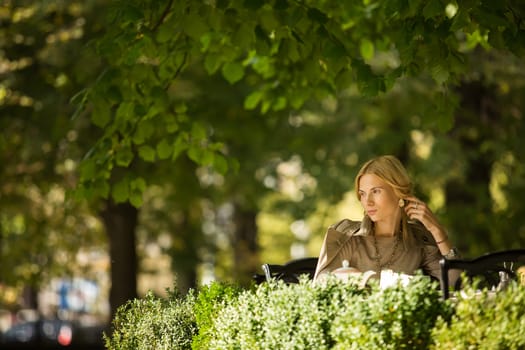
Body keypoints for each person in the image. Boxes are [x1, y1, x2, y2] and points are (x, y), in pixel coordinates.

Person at [313, 155, 459, 284]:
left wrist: (437, 231)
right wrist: (360, 278)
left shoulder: (419, 239)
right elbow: (321, 282)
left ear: (398, 192)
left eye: (375, 191)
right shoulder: (347, 235)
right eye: (362, 194)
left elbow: (456, 281)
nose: (367, 201)